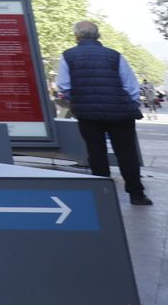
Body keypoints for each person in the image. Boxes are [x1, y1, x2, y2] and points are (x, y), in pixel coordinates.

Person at [57, 20, 151, 205]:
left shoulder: (68, 56)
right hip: (120, 113)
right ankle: (136, 194)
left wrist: (78, 98)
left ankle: (103, 195)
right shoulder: (114, 55)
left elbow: (64, 85)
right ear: (98, 35)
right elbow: (131, 85)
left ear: (77, 36)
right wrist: (130, 104)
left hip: (88, 114)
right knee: (126, 153)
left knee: (96, 152)